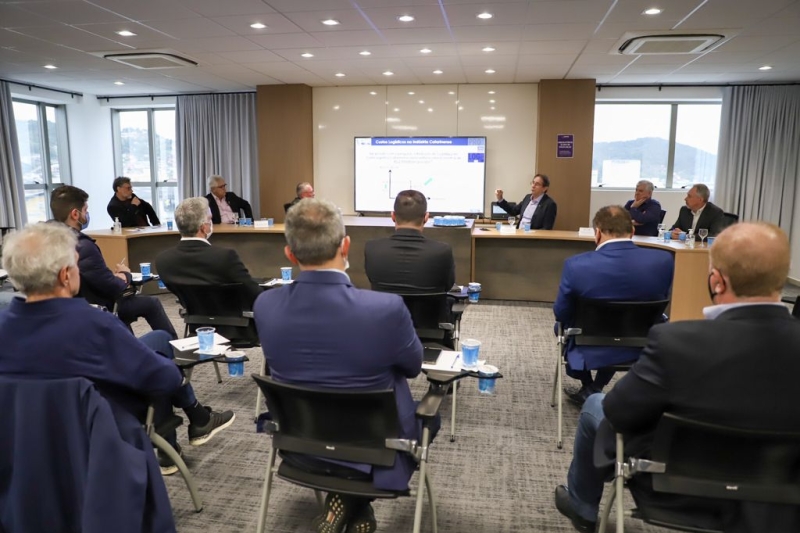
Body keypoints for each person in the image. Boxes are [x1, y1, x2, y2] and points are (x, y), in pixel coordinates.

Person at [555, 221, 800, 533]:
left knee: (595, 405)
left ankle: (582, 507)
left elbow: (619, 411)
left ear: (717, 281)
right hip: (783, 495)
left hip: (676, 488)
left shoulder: (676, 342)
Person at [254, 198, 436, 533]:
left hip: (299, 445)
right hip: (380, 452)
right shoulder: (385, 309)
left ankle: (348, 502)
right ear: (346, 245)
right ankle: (356, 502)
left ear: (290, 254)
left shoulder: (265, 305)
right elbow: (413, 367)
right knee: (428, 414)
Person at [0, 223, 235, 477]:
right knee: (159, 360)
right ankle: (188, 426)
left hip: (27, 438)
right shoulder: (94, 324)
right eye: (77, 265)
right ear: (65, 275)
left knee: (157, 341)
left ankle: (188, 430)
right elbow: (164, 378)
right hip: (101, 424)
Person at [553, 206, 673, 404]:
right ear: (632, 231)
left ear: (598, 232)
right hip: (641, 341)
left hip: (588, 341)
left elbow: (561, 312)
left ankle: (589, 388)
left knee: (560, 327)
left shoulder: (576, 265)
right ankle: (596, 387)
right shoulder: (663, 261)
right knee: (619, 323)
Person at [51, 185, 178, 339]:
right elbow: (112, 287)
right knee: (151, 303)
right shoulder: (83, 246)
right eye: (85, 210)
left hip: (69, 309)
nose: (87, 215)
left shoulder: (47, 241)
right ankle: (173, 348)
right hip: (97, 307)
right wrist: (124, 274)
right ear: (75, 214)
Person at [156, 197, 262, 339]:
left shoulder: (163, 261)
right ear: (203, 227)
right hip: (238, 327)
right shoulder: (225, 257)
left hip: (196, 326)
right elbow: (253, 292)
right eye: (210, 219)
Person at [364, 189, 455, 294]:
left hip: (386, 305)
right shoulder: (442, 251)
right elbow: (448, 286)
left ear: (393, 216)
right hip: (429, 306)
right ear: (426, 217)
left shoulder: (372, 249)